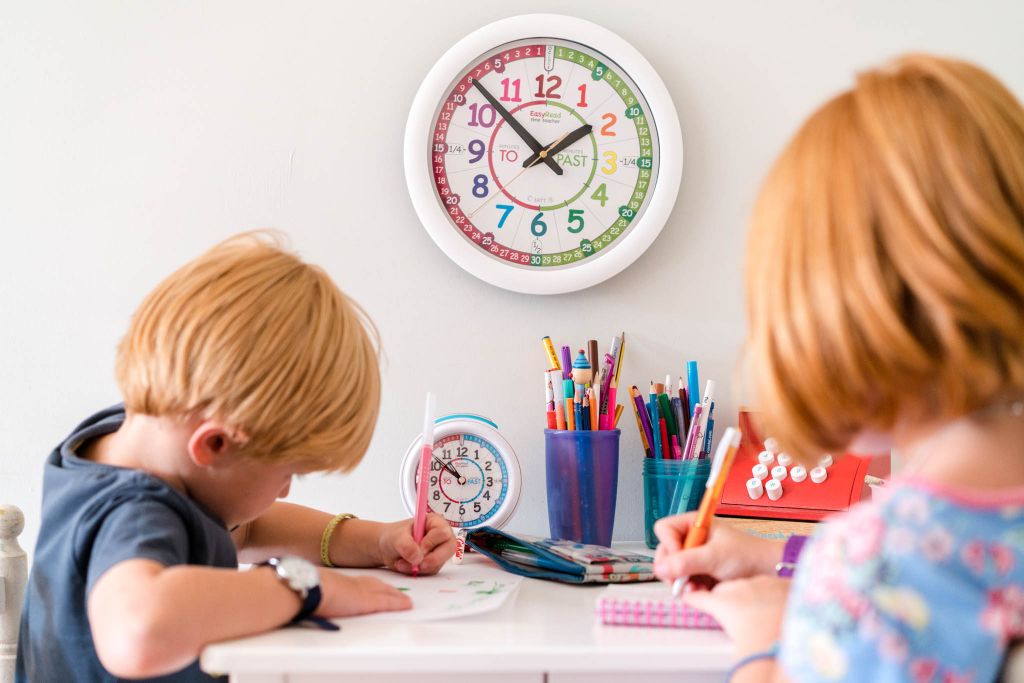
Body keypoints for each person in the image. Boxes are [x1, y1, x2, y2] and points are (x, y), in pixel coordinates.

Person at [654, 54, 1024, 682]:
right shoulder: (890, 556)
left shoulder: (867, 561)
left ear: (843, 312)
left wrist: (766, 644)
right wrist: (781, 558)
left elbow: (894, 583)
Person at [17, 232, 456, 682]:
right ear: (214, 445)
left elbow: (245, 529)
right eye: (290, 472)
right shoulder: (136, 511)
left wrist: (376, 541)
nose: (284, 489)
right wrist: (303, 587)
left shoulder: (133, 444)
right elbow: (138, 632)